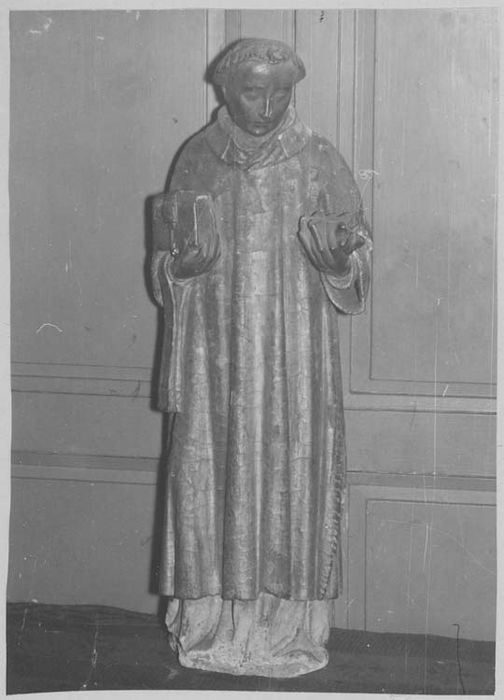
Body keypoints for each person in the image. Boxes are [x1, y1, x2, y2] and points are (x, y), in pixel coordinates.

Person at [150, 38, 372, 677]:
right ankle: (211, 625)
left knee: (292, 479)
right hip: (213, 355)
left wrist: (340, 263)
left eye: (281, 92)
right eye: (253, 91)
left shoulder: (320, 158)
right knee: (206, 476)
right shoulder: (197, 157)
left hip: (295, 356)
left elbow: (357, 260)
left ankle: (284, 632)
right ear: (225, 89)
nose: (267, 106)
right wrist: (179, 269)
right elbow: (164, 262)